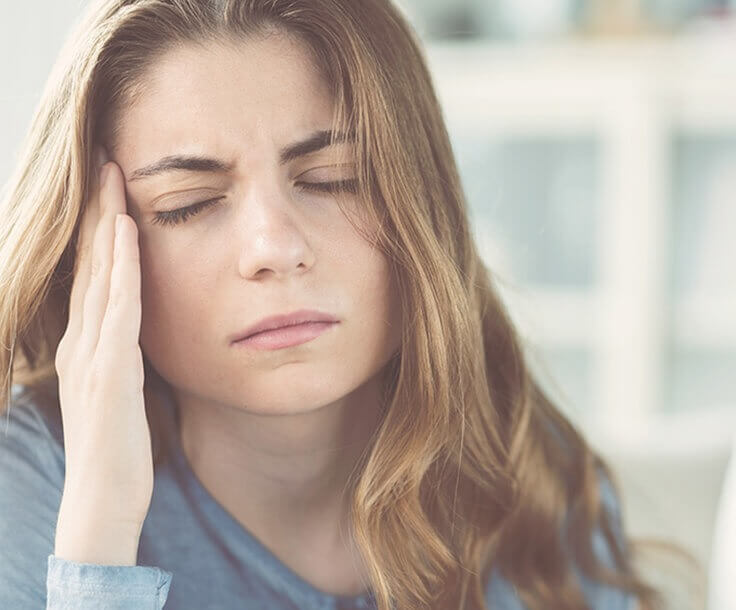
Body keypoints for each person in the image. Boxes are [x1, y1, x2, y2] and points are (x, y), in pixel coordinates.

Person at [0, 0, 662, 608]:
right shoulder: (30, 482)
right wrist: (99, 540)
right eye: (188, 204)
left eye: (331, 179)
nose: (275, 247)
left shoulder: (526, 472)